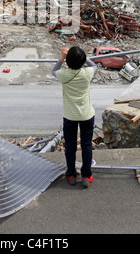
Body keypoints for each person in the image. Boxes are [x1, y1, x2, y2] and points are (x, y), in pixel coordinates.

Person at [52, 45, 97, 188]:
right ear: (82, 60)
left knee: (70, 146)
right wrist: (83, 57)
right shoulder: (87, 73)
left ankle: (71, 174)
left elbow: (54, 71)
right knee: (87, 145)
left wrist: (62, 57)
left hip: (70, 116)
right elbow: (94, 65)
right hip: (86, 115)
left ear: (68, 62)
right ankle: (86, 176)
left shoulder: (64, 75)